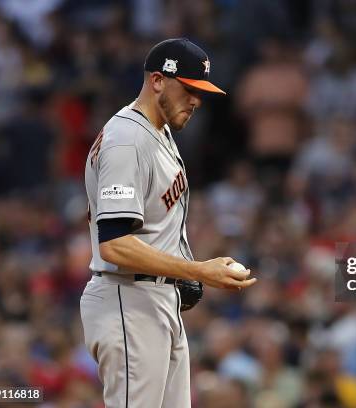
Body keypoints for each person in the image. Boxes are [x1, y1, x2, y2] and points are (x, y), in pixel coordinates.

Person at [80, 38, 257, 408]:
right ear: (158, 80)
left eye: (201, 91)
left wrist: (183, 275)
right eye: (189, 88)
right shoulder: (127, 139)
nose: (196, 100)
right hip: (128, 300)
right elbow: (114, 243)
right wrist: (196, 270)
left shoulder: (157, 132)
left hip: (155, 300)